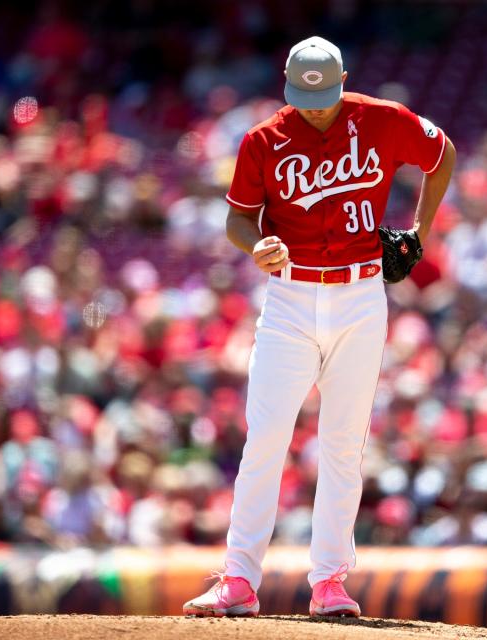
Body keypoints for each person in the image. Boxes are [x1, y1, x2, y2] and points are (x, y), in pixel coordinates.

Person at [183, 36, 455, 617]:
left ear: (343, 79)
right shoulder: (264, 139)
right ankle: (238, 579)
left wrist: (419, 233)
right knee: (267, 436)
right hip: (290, 298)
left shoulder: (380, 119)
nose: (315, 106)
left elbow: (442, 154)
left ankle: (330, 580)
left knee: (342, 444)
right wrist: (257, 244)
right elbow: (237, 217)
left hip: (360, 294)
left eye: (325, 95)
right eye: (305, 96)